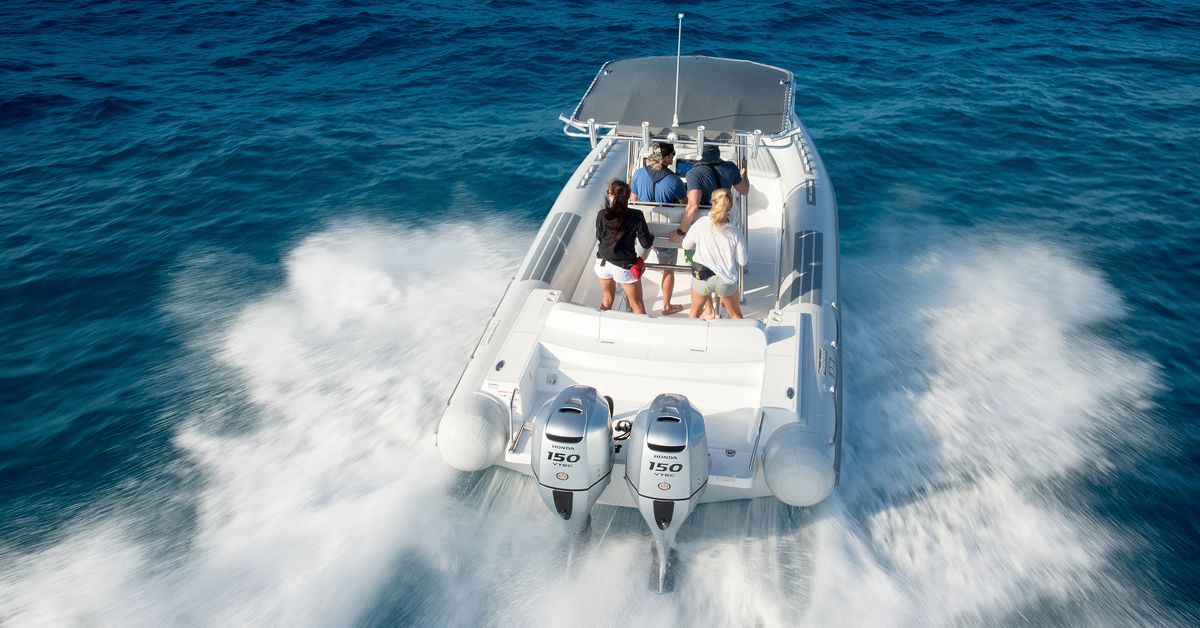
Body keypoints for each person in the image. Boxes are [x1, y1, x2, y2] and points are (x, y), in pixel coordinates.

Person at [630, 142, 687, 315]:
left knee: (633, 266)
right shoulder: (675, 180)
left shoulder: (638, 174)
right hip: (666, 235)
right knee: (668, 270)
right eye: (673, 155)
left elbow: (633, 201)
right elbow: (685, 205)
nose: (674, 157)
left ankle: (632, 304)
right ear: (667, 158)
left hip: (642, 232)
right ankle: (666, 306)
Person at [682, 189, 747, 319]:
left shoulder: (701, 223)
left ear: (712, 202)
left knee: (694, 314)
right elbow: (743, 261)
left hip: (702, 277)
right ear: (730, 206)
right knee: (736, 316)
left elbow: (686, 245)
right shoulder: (736, 232)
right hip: (725, 281)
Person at [595, 179, 653, 315]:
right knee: (637, 305)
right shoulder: (636, 215)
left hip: (602, 264)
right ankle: (641, 334)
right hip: (624, 268)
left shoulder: (602, 214)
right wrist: (651, 236)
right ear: (627, 197)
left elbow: (599, 237)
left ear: (611, 196)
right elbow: (646, 244)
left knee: (607, 300)